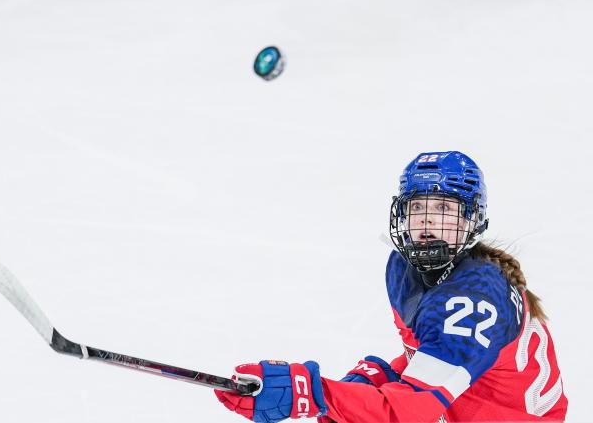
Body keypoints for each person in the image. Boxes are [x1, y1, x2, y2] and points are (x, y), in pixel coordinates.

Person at [215, 151, 568, 422]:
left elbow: (406, 413)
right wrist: (386, 373)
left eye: (444, 208)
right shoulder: (405, 268)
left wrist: (314, 393)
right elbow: (434, 355)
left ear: (472, 220)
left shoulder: (474, 299)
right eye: (417, 207)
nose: (428, 218)